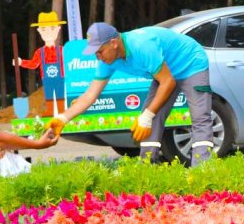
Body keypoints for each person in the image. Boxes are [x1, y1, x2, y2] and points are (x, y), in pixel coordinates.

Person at [50, 22, 214, 166]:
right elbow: (90, 95)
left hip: (191, 64)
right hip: (164, 72)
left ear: (113, 43)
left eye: (99, 51)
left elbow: (168, 82)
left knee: (199, 117)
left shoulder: (141, 45)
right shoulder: (107, 60)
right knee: (151, 117)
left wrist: (147, 115)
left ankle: (202, 170)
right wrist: (62, 119)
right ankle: (147, 168)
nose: (97, 57)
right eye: (95, 53)